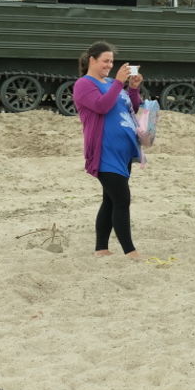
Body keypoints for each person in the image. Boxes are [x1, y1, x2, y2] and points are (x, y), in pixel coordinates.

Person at [72, 42, 144, 258]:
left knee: (110, 199)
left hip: (123, 152)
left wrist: (132, 88)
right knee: (122, 199)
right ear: (92, 60)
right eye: (106, 60)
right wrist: (119, 83)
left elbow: (132, 107)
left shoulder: (113, 83)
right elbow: (101, 106)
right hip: (104, 152)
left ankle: (101, 248)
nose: (110, 65)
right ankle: (130, 251)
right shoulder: (84, 84)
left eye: (111, 61)